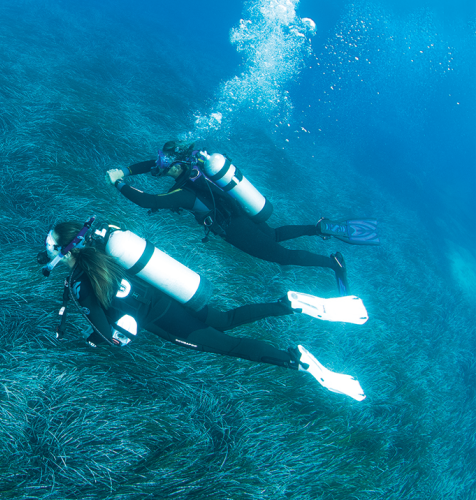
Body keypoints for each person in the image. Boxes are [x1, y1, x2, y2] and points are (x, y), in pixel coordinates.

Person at [38, 220, 367, 401]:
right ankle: (288, 304)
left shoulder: (81, 284)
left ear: (66, 250)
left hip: (165, 321)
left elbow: (108, 335)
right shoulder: (100, 250)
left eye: (51, 246)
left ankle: (296, 359)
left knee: (231, 347)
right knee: (225, 320)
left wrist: (104, 338)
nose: (47, 252)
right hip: (172, 298)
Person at [106, 141, 379, 295]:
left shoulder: (183, 194)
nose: (159, 167)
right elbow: (151, 165)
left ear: (175, 165)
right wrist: (126, 170)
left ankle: (333, 263)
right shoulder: (198, 166)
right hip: (240, 210)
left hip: (233, 228)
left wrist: (118, 183)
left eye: (163, 165)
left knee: (281, 256)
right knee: (272, 235)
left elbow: (148, 201)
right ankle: (317, 227)